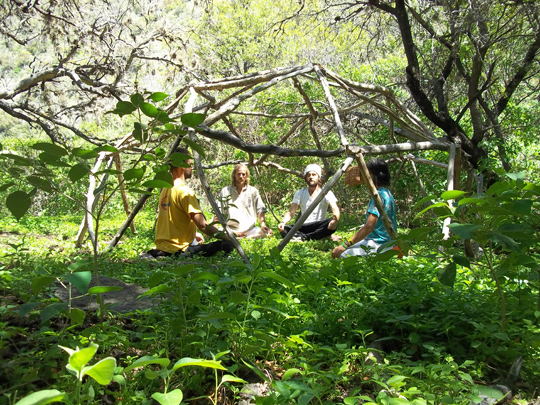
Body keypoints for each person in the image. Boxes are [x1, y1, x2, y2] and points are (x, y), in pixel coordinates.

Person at [146, 148, 234, 258]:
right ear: (182, 165)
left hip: (162, 249)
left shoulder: (165, 189)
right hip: (179, 251)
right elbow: (203, 226)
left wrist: (193, 234)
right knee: (227, 245)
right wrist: (227, 236)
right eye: (190, 164)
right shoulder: (185, 192)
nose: (192, 168)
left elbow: (175, 222)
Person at [332, 158, 397, 259]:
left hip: (380, 244)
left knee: (343, 255)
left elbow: (369, 227)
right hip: (383, 242)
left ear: (373, 174)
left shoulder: (378, 195)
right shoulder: (387, 193)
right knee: (342, 251)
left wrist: (345, 245)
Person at [278, 163, 340, 241]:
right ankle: (310, 237)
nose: (311, 177)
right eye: (308, 175)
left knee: (330, 223)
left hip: (319, 226)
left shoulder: (326, 192)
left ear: (319, 177)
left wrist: (335, 220)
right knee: (285, 229)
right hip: (304, 226)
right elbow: (291, 212)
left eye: (314, 175)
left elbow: (335, 208)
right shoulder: (299, 193)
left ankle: (303, 237)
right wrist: (283, 222)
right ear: (306, 178)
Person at [215, 163, 273, 239]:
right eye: (239, 174)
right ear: (234, 175)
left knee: (263, 233)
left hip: (250, 229)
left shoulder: (253, 191)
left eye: (243, 174)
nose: (241, 176)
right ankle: (240, 238)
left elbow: (260, 209)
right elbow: (218, 211)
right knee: (219, 232)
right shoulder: (225, 191)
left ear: (247, 176)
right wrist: (214, 226)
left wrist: (263, 224)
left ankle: (241, 238)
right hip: (230, 230)